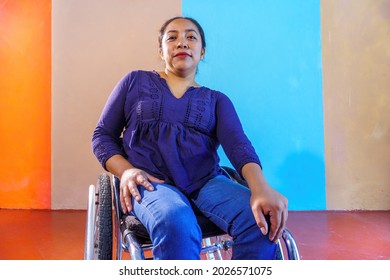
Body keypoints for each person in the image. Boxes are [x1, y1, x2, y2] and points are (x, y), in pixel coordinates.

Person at [92, 16, 288, 260]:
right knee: (176, 221)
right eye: (172, 37)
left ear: (202, 51)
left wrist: (261, 188)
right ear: (161, 51)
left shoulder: (217, 100)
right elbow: (102, 136)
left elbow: (239, 146)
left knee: (259, 219)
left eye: (191, 37)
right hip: (151, 182)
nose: (181, 43)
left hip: (205, 182)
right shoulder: (135, 81)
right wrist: (126, 171)